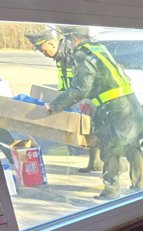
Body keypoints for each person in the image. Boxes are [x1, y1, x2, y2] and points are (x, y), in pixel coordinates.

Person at [41, 32, 143, 199]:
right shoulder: (99, 49)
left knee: (110, 149)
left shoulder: (83, 55)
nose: (68, 45)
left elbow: (81, 88)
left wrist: (54, 105)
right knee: (132, 146)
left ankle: (111, 191)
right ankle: (139, 186)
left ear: (75, 39)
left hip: (114, 109)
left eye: (68, 41)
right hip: (130, 104)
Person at [25, 29, 103, 173]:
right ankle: (94, 163)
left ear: (52, 44)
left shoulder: (72, 54)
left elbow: (85, 81)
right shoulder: (61, 56)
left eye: (44, 50)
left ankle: (108, 164)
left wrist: (85, 100)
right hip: (77, 98)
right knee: (89, 131)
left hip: (89, 98)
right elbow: (66, 82)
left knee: (94, 130)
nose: (44, 54)